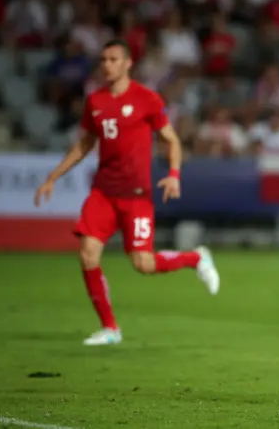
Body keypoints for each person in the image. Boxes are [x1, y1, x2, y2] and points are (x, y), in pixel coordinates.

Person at [34, 39, 220, 346]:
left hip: (136, 195)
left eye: (113, 59)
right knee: (88, 254)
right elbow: (84, 144)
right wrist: (53, 176)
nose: (107, 64)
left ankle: (196, 258)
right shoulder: (95, 101)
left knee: (142, 264)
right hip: (103, 193)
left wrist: (174, 175)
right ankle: (110, 329)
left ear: (127, 63)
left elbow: (171, 140)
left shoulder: (147, 99)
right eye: (104, 59)